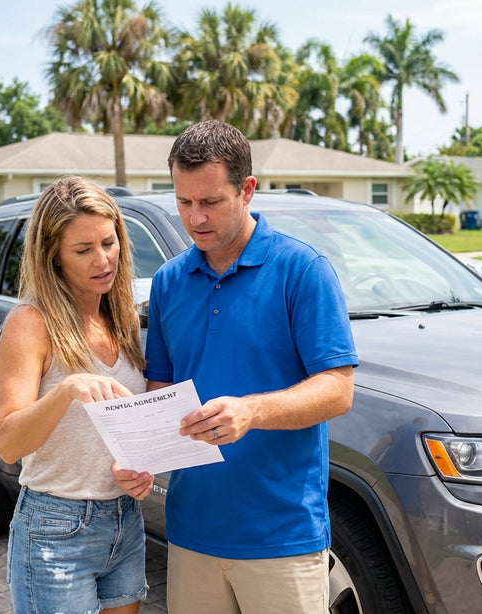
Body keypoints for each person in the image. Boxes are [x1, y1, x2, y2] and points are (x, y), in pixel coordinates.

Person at [114, 120, 358, 613]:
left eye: (210, 202)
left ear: (247, 190)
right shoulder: (168, 283)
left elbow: (337, 390)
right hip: (192, 531)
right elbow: (161, 389)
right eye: (183, 202)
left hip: (281, 535)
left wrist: (250, 412)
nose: (194, 217)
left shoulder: (303, 271)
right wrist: (139, 458)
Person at [0, 176, 148, 614]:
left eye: (109, 242)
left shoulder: (122, 317)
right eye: (83, 250)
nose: (103, 260)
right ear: (54, 257)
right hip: (55, 529)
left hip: (124, 519)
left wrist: (137, 469)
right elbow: (7, 442)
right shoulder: (30, 323)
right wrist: (66, 390)